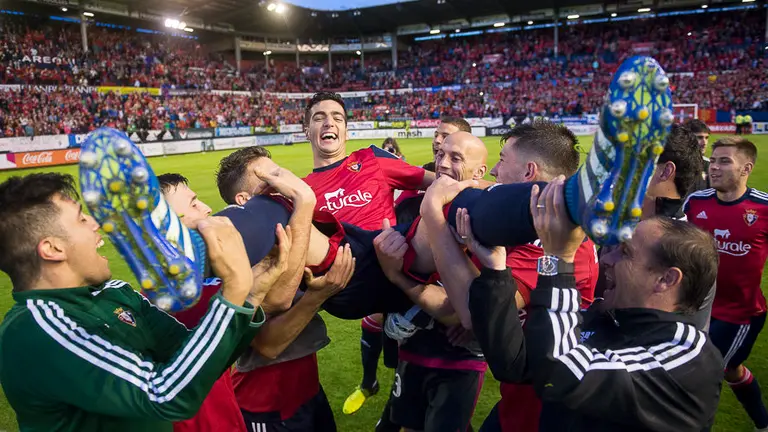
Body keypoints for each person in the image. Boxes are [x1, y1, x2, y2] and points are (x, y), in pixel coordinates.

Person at [0, 173, 271, 432]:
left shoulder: (116, 293)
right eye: (82, 219)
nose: (96, 224)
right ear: (53, 249)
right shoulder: (35, 330)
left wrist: (250, 297)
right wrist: (235, 288)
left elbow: (200, 360)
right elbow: (163, 395)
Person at [466, 178, 723, 431]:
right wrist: (496, 272)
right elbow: (515, 363)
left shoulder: (688, 356)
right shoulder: (606, 318)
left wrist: (558, 258)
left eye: (625, 252)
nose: (608, 259)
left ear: (666, 279)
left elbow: (563, 372)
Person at [430, 121, 598, 432]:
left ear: (528, 172)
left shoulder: (558, 244)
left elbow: (471, 311)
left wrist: (431, 214)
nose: (494, 171)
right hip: (516, 402)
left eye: (502, 159)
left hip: (540, 415)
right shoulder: (530, 225)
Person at [159, 172, 355, 432]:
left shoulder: (212, 274)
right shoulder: (184, 297)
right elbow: (273, 321)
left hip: (291, 396)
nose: (206, 208)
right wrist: (304, 203)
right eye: (193, 204)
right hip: (267, 405)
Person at [299, 92, 434, 415]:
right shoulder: (303, 191)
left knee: (414, 378)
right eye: (319, 117)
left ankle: (381, 392)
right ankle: (370, 382)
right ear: (306, 130)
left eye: (337, 118)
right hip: (348, 288)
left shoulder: (372, 161)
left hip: (397, 271)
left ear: (346, 130)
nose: (329, 123)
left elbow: (438, 183)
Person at [373, 130, 490, 432]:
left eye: (455, 158)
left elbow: (461, 309)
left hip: (459, 359)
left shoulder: (487, 222)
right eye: (440, 154)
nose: (443, 163)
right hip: (413, 350)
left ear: (479, 172)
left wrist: (396, 276)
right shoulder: (415, 205)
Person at [684, 137, 768, 431]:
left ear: (746, 168)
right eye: (714, 160)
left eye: (724, 161)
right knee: (732, 371)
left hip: (739, 314)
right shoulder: (696, 203)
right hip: (695, 307)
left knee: (700, 375)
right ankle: (763, 423)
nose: (714, 167)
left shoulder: (763, 208)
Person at [684, 119, 711, 191]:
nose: (704, 142)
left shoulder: (709, 164)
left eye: (707, 138)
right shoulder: (674, 164)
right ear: (687, 138)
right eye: (699, 137)